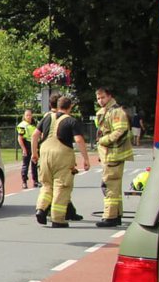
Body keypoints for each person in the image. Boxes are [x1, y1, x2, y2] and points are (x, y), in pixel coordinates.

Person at [35, 95, 91, 227]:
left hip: (44, 153)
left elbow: (35, 135)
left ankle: (41, 209)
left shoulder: (47, 117)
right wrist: (86, 158)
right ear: (70, 106)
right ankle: (58, 219)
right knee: (62, 186)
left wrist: (34, 153)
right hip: (62, 156)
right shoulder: (71, 121)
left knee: (46, 184)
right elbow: (78, 140)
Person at [93, 86, 133, 228]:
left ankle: (109, 217)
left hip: (114, 154)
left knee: (109, 185)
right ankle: (116, 215)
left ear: (109, 96)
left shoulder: (116, 112)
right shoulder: (104, 112)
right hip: (108, 154)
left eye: (103, 97)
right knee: (114, 186)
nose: (100, 100)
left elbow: (120, 131)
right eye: (98, 98)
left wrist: (104, 141)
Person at [15, 108, 39, 188]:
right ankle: (24, 182)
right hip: (26, 145)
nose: (28, 117)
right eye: (27, 115)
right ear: (24, 116)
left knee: (34, 164)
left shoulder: (34, 124)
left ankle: (35, 181)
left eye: (30, 115)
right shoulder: (22, 125)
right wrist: (24, 149)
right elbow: (20, 138)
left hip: (34, 145)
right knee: (25, 165)